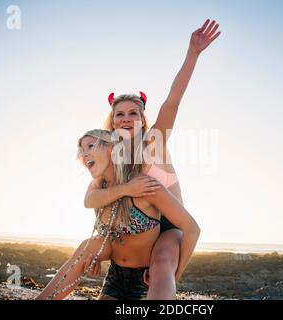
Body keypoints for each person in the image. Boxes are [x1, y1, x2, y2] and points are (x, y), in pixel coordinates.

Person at [84, 18, 221, 299]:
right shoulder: (112, 155)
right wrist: (101, 251)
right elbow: (104, 202)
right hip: (137, 231)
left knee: (160, 267)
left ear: (142, 119)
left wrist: (192, 53)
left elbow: (172, 101)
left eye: (133, 113)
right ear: (112, 121)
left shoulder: (153, 140)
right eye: (119, 114)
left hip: (169, 225)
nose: (125, 118)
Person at [36, 129, 200, 300]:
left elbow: (192, 229)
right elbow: (89, 204)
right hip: (115, 279)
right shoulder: (98, 188)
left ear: (112, 149)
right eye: (82, 150)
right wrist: (96, 258)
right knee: (88, 247)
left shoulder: (144, 184)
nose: (84, 154)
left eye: (90, 146)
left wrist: (175, 274)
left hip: (149, 281)